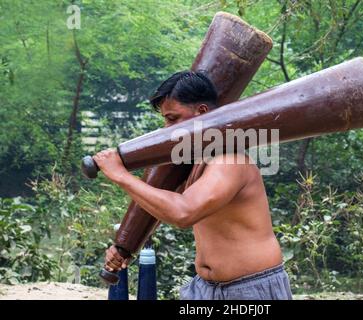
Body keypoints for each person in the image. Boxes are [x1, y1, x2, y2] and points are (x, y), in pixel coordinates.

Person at [93, 71, 292, 300]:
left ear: (202, 112)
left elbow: (183, 212)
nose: (167, 128)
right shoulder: (194, 158)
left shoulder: (230, 161)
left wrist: (121, 175)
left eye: (173, 118)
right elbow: (163, 204)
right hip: (204, 289)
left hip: (249, 290)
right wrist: (126, 247)